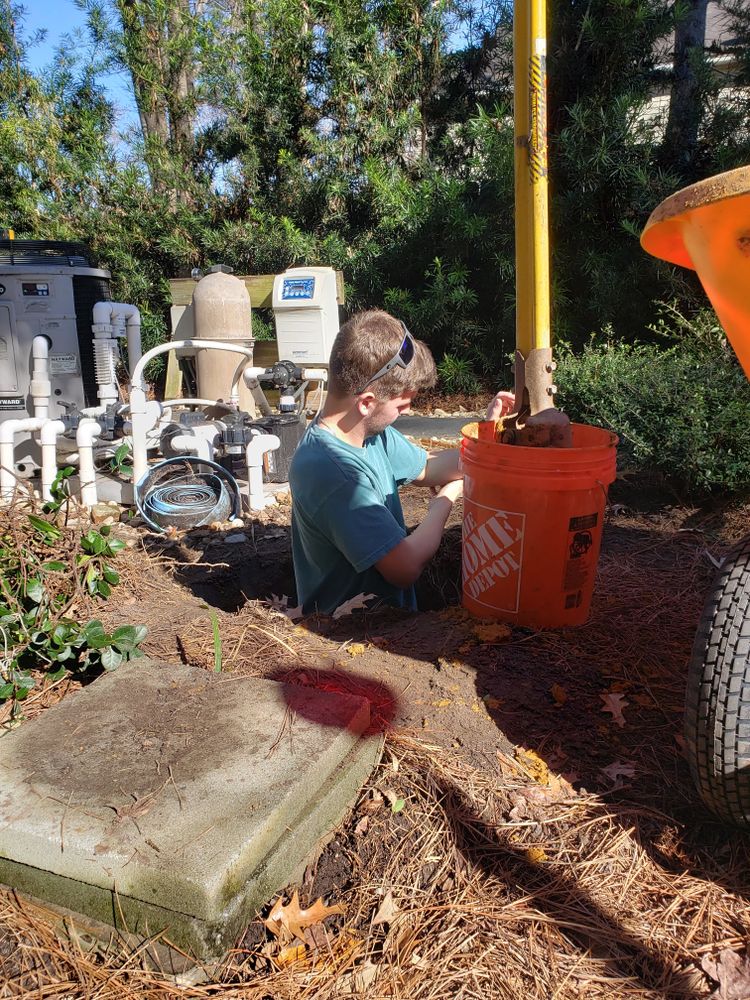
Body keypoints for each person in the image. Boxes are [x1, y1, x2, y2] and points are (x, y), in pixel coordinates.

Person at [288, 309, 514, 615]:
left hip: (389, 622)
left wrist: (487, 437)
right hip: (355, 634)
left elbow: (428, 468)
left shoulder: (367, 433)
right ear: (367, 402)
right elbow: (405, 567)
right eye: (402, 404)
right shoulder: (333, 471)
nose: (406, 412)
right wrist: (444, 501)